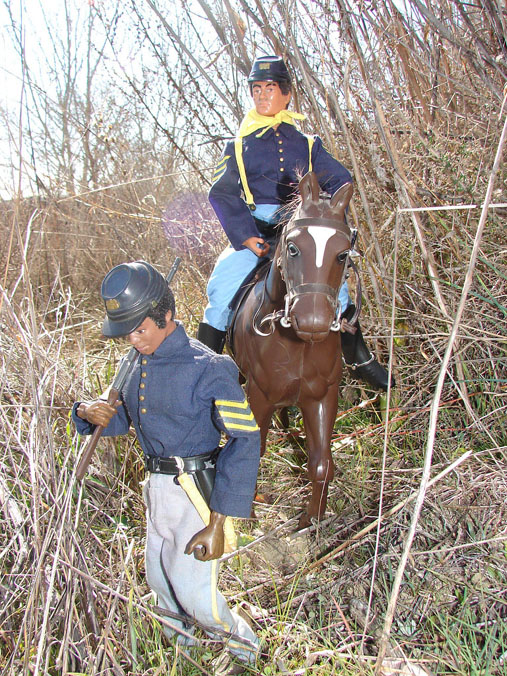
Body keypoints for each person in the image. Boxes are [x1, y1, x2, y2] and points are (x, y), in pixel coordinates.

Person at [72, 260, 261, 668]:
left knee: (194, 588)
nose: (134, 339)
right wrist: (92, 413)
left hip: (193, 490)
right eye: (128, 332)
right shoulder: (137, 362)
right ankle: (183, 647)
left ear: (168, 317)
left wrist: (219, 520)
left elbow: (246, 438)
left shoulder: (208, 367)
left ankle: (242, 645)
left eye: (141, 329)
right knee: (159, 577)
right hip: (155, 487)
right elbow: (127, 419)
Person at [197, 55, 393, 391]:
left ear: (286, 94)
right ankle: (203, 373)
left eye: (269, 88)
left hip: (302, 235)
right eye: (256, 89)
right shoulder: (238, 146)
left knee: (340, 292)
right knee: (221, 289)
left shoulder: (307, 143)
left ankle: (357, 356)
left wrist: (325, 220)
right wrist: (245, 237)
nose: (261, 95)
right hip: (257, 232)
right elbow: (222, 194)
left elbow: (341, 180)